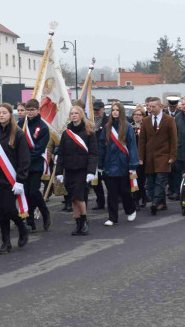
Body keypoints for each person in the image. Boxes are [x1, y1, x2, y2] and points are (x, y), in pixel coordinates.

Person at [0, 103, 30, 252]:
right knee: (0, 212)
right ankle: (6, 242)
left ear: (10, 114)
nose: (1, 115)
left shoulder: (18, 134)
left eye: (4, 112)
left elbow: (24, 159)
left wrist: (20, 180)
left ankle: (21, 227)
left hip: (12, 180)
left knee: (10, 210)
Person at [57, 105, 99, 234]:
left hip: (82, 170)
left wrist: (91, 172)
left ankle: (84, 220)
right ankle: (78, 223)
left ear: (81, 115)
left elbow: (93, 153)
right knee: (73, 198)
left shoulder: (89, 132)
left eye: (76, 113)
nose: (74, 115)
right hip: (69, 170)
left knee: (79, 196)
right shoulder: (66, 133)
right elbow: (61, 153)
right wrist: (59, 172)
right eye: (72, 113)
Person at [99, 101, 139, 226]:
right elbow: (102, 146)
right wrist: (100, 164)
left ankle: (131, 209)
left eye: (117, 110)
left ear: (121, 112)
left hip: (123, 164)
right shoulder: (107, 127)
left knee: (125, 191)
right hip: (109, 165)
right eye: (113, 110)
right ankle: (112, 218)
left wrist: (133, 163)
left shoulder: (127, 127)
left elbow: (132, 146)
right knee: (111, 193)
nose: (115, 112)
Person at [138, 97, 177, 215]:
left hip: (164, 155)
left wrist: (173, 155)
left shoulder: (169, 119)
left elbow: (174, 139)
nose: (151, 109)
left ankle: (155, 203)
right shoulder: (146, 120)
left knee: (160, 180)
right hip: (150, 156)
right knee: (152, 181)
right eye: (149, 106)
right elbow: (142, 140)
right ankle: (162, 203)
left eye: (153, 106)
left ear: (160, 106)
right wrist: (140, 157)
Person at [20, 100, 52, 232]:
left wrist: (25, 159)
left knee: (33, 191)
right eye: (28, 109)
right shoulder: (21, 124)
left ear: (38, 110)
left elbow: (39, 149)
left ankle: (45, 212)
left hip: (35, 164)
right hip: (23, 165)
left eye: (32, 109)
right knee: (26, 193)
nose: (30, 112)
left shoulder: (43, 127)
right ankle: (30, 221)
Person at [90, 100, 107, 210]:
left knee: (108, 180)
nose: (96, 112)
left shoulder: (107, 121)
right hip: (94, 155)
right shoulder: (90, 122)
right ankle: (100, 201)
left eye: (98, 110)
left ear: (103, 110)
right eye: (94, 110)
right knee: (95, 181)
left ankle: (115, 199)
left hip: (105, 155)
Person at [131, 107, 147, 207]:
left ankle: (143, 196)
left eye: (139, 115)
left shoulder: (145, 126)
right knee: (134, 179)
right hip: (132, 156)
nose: (136, 117)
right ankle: (135, 200)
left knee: (141, 179)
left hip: (142, 156)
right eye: (135, 115)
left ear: (143, 116)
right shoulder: (130, 126)